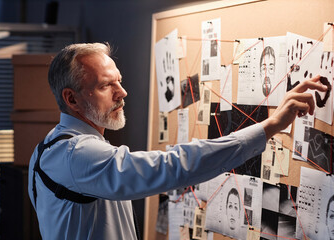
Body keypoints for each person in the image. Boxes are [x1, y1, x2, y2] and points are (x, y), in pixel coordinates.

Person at [28, 42, 327, 239]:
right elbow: (172, 166)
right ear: (72, 99)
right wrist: (271, 125)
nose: (123, 92)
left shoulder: (48, 148)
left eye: (119, 80)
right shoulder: (75, 154)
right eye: (107, 85)